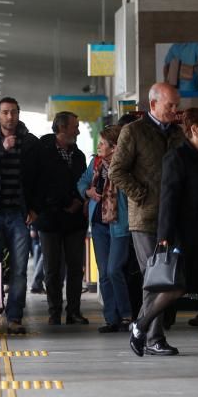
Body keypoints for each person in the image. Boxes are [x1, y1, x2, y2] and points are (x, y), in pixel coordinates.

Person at [128, 108, 198, 357]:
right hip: (185, 233)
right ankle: (141, 326)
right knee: (176, 286)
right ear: (194, 130)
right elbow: (169, 199)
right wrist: (164, 237)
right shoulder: (176, 158)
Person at [109, 82, 185, 355]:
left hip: (174, 216)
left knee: (170, 277)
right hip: (145, 217)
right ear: (153, 105)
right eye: (170, 106)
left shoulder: (178, 133)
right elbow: (116, 170)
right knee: (154, 277)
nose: (175, 111)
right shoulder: (134, 131)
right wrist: (140, 194)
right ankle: (153, 338)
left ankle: (144, 331)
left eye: (177, 105)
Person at [0, 97, 42, 334]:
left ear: (19, 114)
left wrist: (34, 208)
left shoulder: (31, 143)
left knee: (20, 267)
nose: (9, 117)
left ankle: (14, 316)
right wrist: (1, 150)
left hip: (19, 214)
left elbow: (37, 179)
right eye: (5, 113)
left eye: (13, 112)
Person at [78, 124, 133, 333]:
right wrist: (88, 191)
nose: (98, 146)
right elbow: (81, 182)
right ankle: (111, 318)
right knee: (103, 273)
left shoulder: (125, 165)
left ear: (114, 147)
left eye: (102, 143)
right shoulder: (95, 163)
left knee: (114, 269)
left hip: (119, 223)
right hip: (99, 224)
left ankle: (127, 314)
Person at [35, 111, 89, 325]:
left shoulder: (79, 155)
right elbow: (42, 184)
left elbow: (83, 181)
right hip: (50, 219)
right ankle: (54, 311)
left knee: (76, 268)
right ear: (62, 128)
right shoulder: (43, 152)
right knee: (52, 268)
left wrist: (77, 201)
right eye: (74, 126)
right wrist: (64, 203)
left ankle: (74, 311)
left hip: (75, 221)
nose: (78, 130)